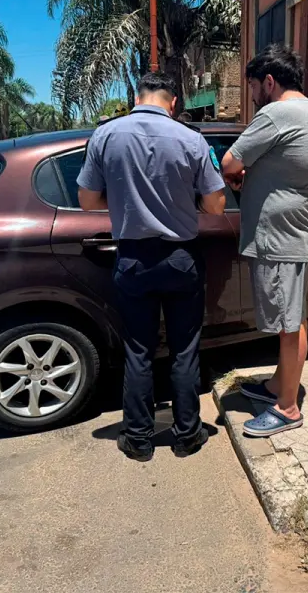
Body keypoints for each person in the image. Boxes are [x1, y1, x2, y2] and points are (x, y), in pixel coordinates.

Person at [77, 72, 227, 461]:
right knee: (184, 351)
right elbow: (215, 206)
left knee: (139, 351)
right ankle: (187, 435)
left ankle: (139, 439)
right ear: (173, 102)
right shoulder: (193, 140)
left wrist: (127, 196)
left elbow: (88, 202)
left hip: (133, 259)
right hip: (181, 259)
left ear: (136, 96)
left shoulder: (106, 136)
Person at [221, 44, 308, 437]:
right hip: (294, 232)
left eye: (251, 87)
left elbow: (230, 161)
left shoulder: (277, 112)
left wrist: (236, 176)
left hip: (279, 239)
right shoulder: (307, 111)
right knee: (293, 318)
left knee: (288, 325)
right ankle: (277, 388)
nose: (250, 96)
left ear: (269, 81)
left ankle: (287, 408)